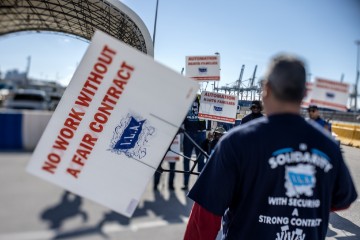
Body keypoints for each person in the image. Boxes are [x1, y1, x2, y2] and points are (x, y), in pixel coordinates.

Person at [184, 54, 357, 239]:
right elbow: (343, 199)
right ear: (304, 94)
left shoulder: (236, 142)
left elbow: (204, 218)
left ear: (266, 89)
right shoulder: (328, 145)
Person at [182, 95, 207, 190]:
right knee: (186, 159)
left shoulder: (202, 98)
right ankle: (185, 184)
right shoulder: (185, 99)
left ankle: (199, 185)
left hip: (201, 134)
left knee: (200, 160)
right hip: (188, 133)